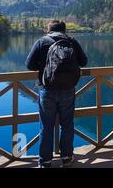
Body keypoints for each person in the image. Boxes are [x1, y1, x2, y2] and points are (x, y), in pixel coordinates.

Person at [26, 20, 88, 168]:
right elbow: (84, 62)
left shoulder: (42, 42)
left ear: (49, 30)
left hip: (47, 90)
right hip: (68, 89)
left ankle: (45, 161)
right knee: (67, 124)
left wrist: (42, 66)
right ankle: (67, 158)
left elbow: (29, 65)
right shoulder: (71, 42)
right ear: (64, 30)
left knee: (46, 126)